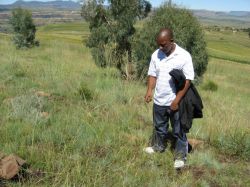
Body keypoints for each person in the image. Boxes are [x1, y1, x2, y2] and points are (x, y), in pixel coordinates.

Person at [143, 28, 194, 169]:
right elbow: (153, 74)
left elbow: (188, 81)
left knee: (179, 131)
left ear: (171, 41)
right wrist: (149, 90)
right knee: (159, 127)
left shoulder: (184, 56)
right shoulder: (156, 55)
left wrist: (176, 101)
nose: (160, 47)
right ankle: (159, 147)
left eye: (163, 44)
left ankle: (180, 157)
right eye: (158, 44)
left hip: (176, 102)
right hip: (159, 100)